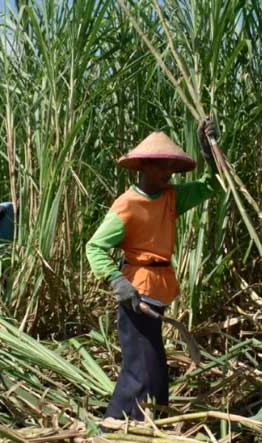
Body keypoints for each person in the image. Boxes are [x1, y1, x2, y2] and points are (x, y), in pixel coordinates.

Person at [86, 118, 222, 422]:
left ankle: (156, 422)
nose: (168, 173)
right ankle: (114, 429)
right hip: (136, 291)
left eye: (170, 167)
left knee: (156, 368)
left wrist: (210, 152)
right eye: (161, 166)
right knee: (140, 367)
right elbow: (94, 247)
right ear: (143, 167)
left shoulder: (171, 198)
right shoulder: (127, 205)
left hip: (158, 288)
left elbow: (214, 185)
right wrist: (117, 281)